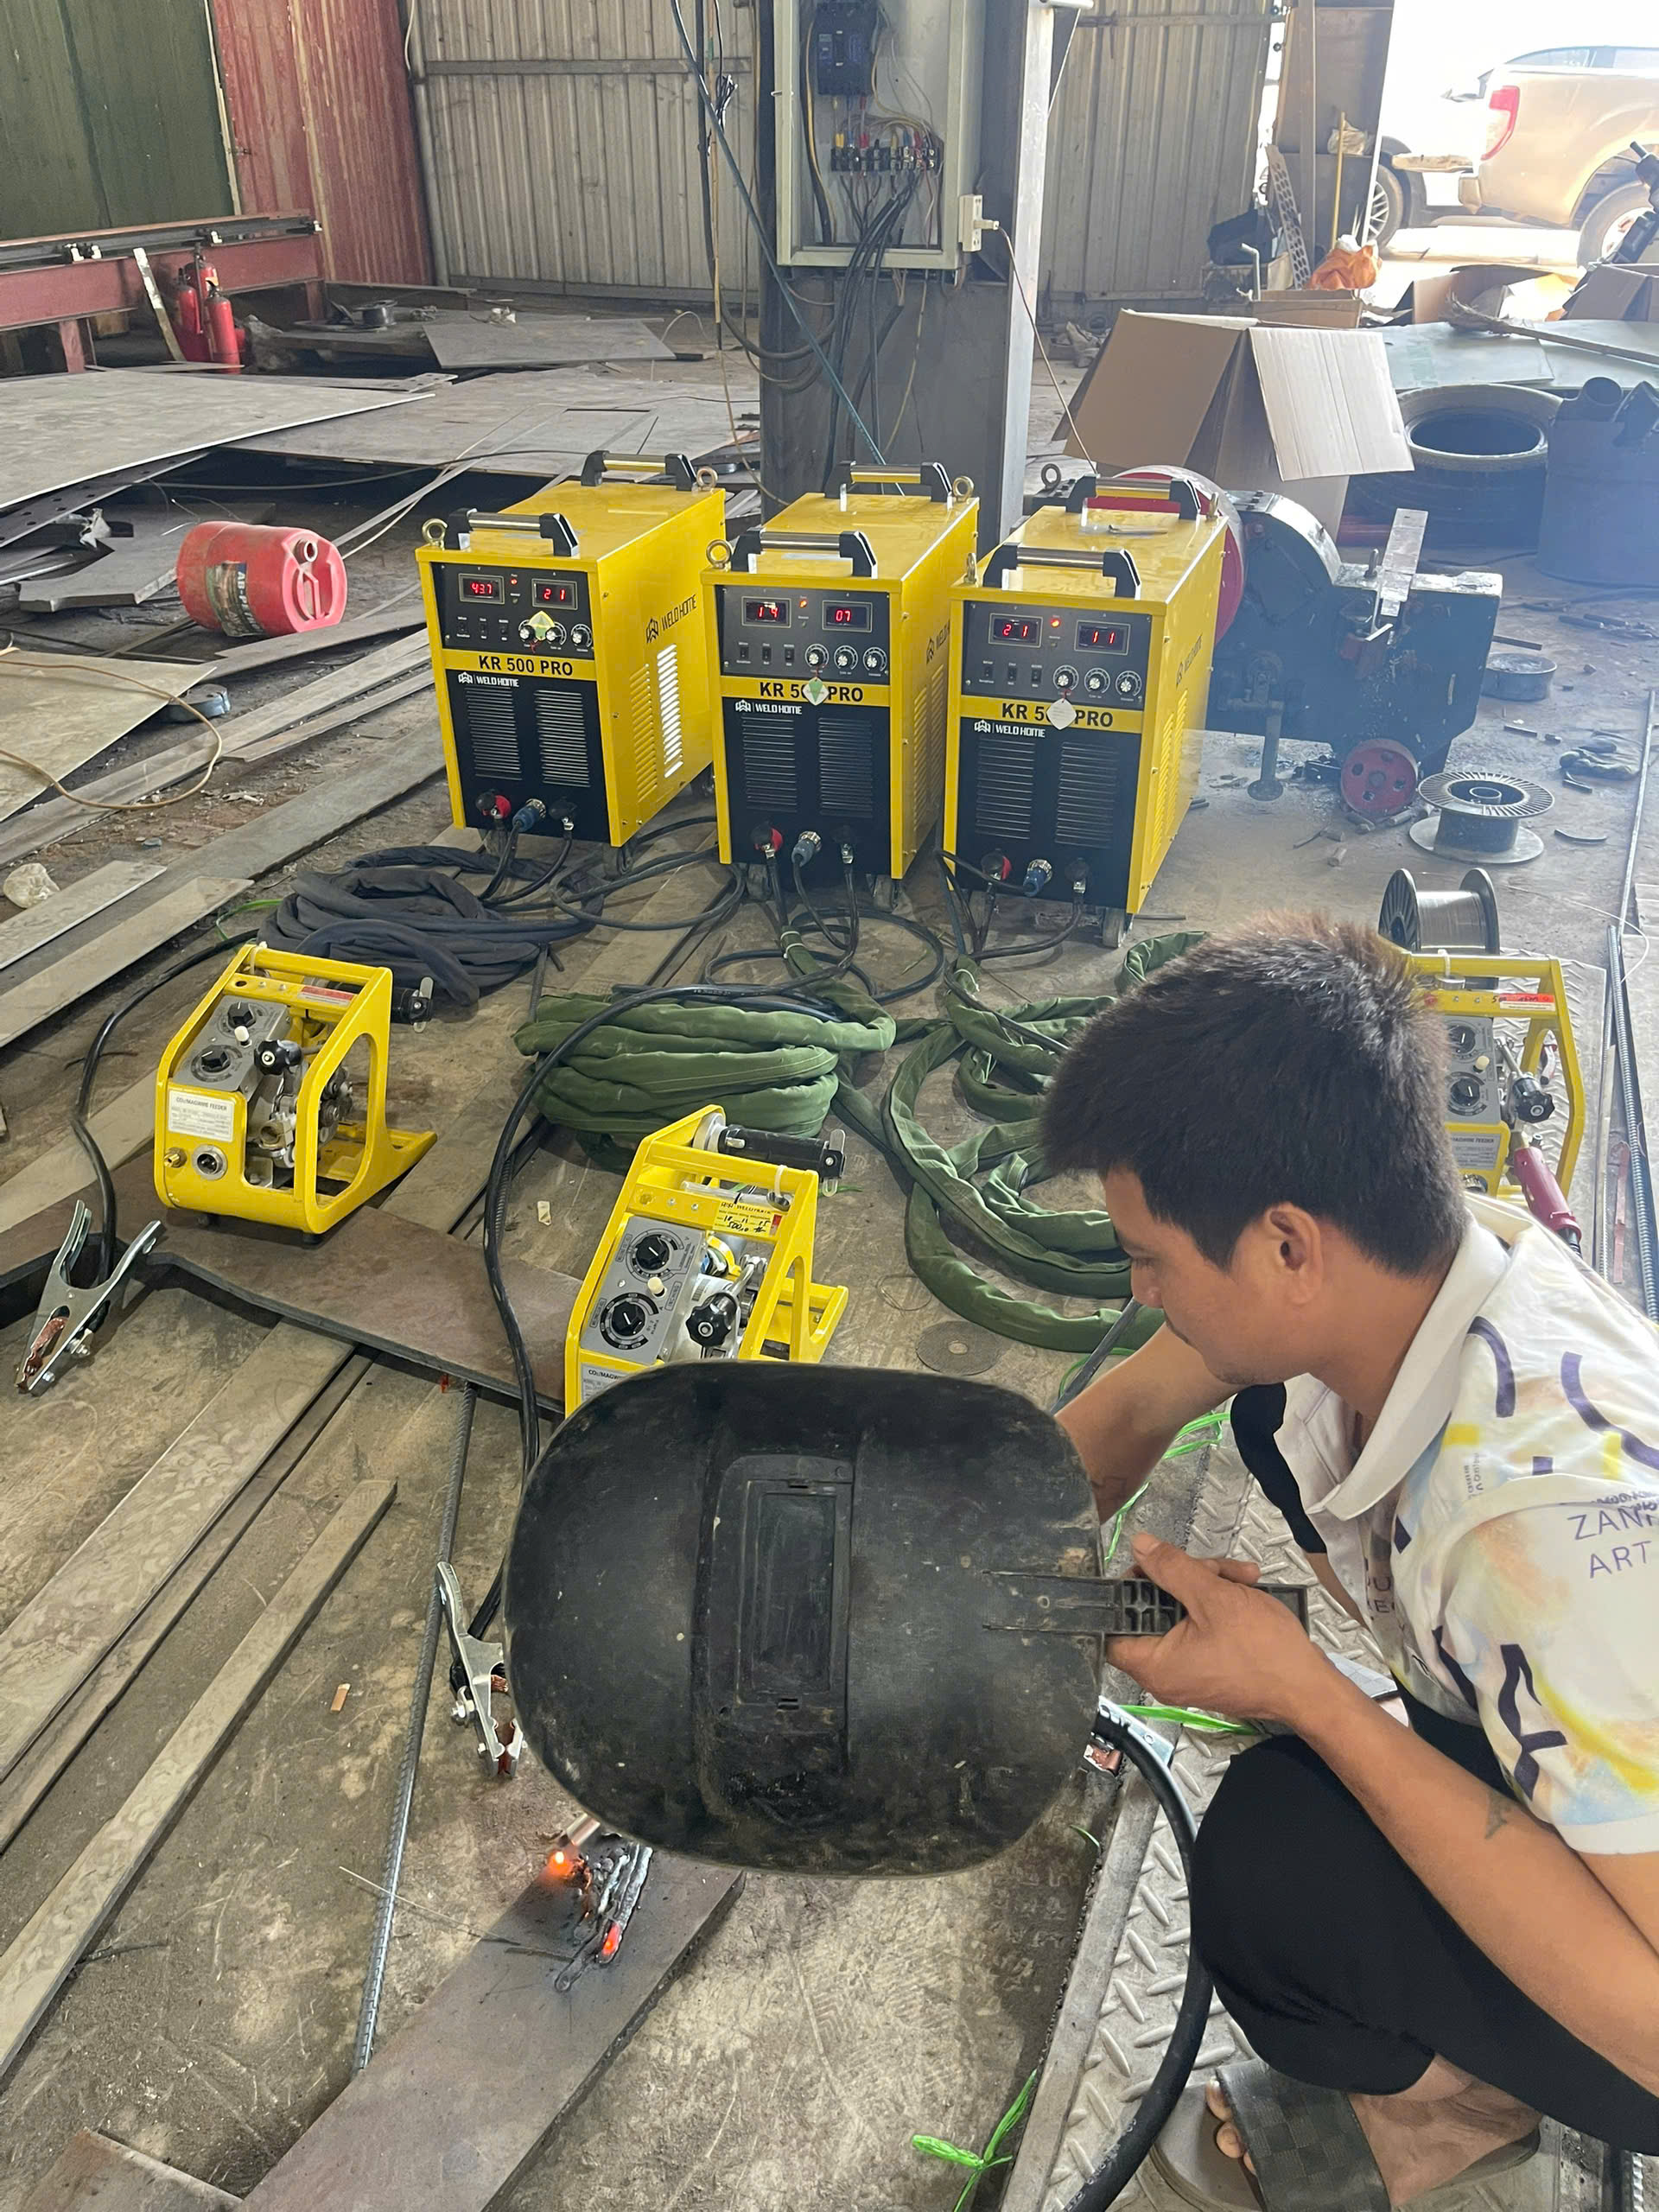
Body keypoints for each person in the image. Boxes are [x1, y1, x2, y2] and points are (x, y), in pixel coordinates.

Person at [1041, 918, 1659, 2211]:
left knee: (1275, 1865)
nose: (1143, 1293)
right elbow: (1134, 1409)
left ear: (1287, 1247)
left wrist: (1307, 1694)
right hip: (1588, 1736)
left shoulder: (1542, 1539)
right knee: (1270, 1409)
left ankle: (1456, 2116)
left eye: (1151, 1260)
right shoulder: (1433, 1258)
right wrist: (966, 1552)